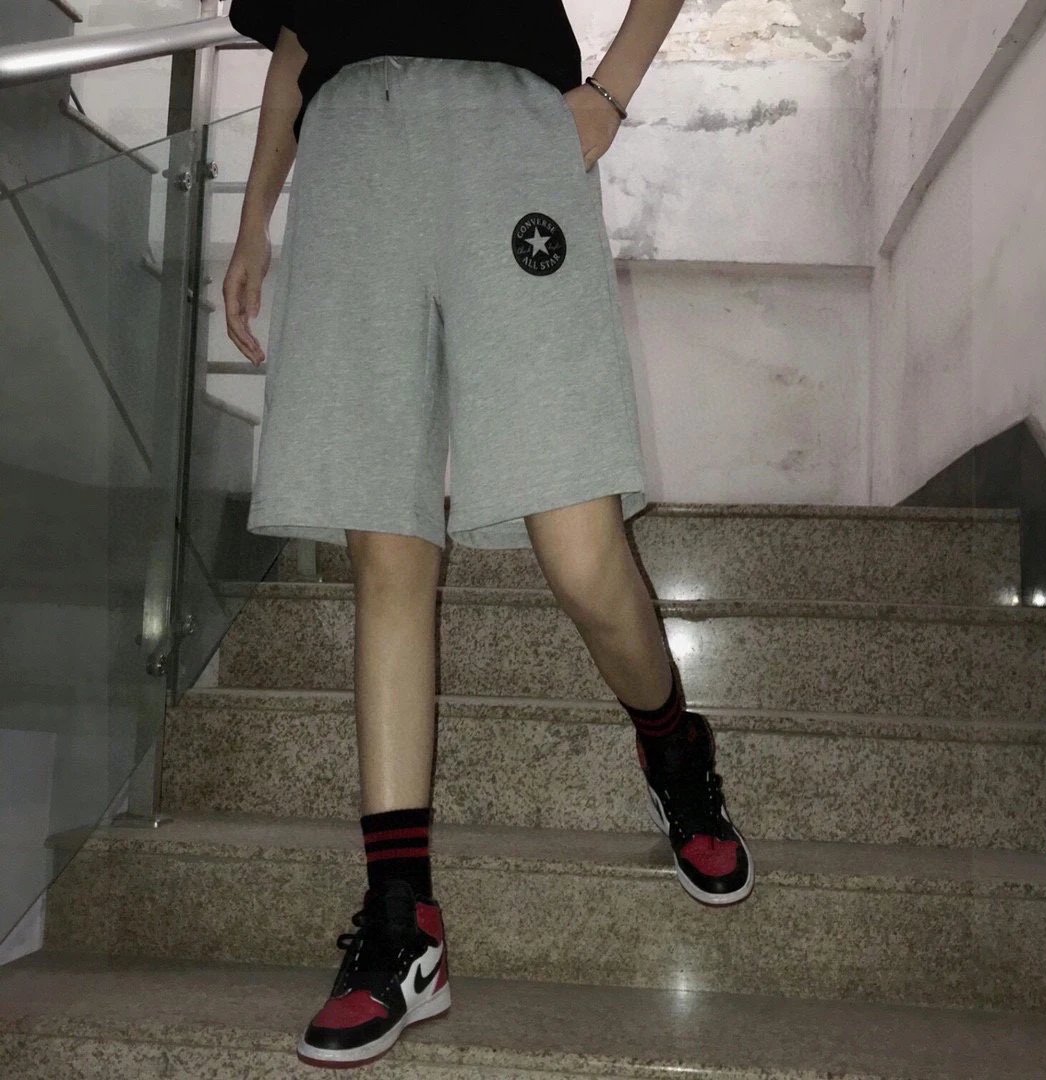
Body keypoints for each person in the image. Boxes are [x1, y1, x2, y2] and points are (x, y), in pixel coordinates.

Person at [223, 0, 753, 1069]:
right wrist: (253, 221)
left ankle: (672, 742)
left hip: (509, 133)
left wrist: (608, 95)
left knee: (581, 550)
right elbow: (293, 43)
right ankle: (402, 921)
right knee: (386, 548)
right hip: (350, 148)